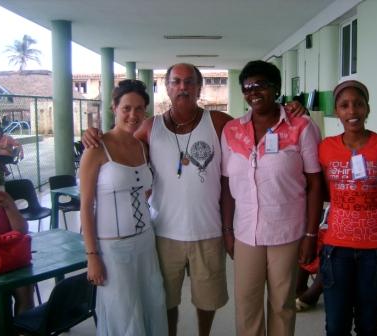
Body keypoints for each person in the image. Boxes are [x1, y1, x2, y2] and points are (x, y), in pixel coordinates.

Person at [83, 63, 308, 336]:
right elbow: (121, 143)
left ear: (199, 88)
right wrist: (93, 134)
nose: (183, 87)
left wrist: (291, 109)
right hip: (164, 233)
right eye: (176, 82)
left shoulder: (219, 122)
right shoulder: (149, 128)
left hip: (208, 231)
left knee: (208, 300)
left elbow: (254, 124)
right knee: (166, 301)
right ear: (166, 88)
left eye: (190, 82)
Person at [220, 60, 324, 336]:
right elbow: (227, 183)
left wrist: (311, 235)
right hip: (246, 233)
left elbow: (315, 183)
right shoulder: (232, 131)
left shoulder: (301, 127)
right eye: (247, 87)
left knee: (282, 305)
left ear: (276, 88)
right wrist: (227, 230)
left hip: (287, 233)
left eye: (261, 85)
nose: (253, 92)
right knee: (247, 305)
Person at [318, 80, 377, 336]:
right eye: (344, 105)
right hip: (337, 249)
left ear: (367, 109)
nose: (352, 111)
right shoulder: (325, 148)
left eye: (358, 104)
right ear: (337, 111)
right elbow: (320, 191)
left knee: (368, 325)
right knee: (336, 325)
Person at [80, 79, 168, 335]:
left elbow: (145, 190)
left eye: (139, 109)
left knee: (153, 304)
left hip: (145, 241)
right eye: (126, 108)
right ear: (114, 108)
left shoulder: (142, 146)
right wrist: (92, 256)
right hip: (113, 248)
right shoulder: (96, 149)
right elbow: (85, 207)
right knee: (123, 315)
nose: (133, 115)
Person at [0, 173, 34, 318]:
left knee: (25, 291)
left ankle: (24, 329)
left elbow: (22, 230)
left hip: (9, 259)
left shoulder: (1, 198)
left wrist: (9, 206)